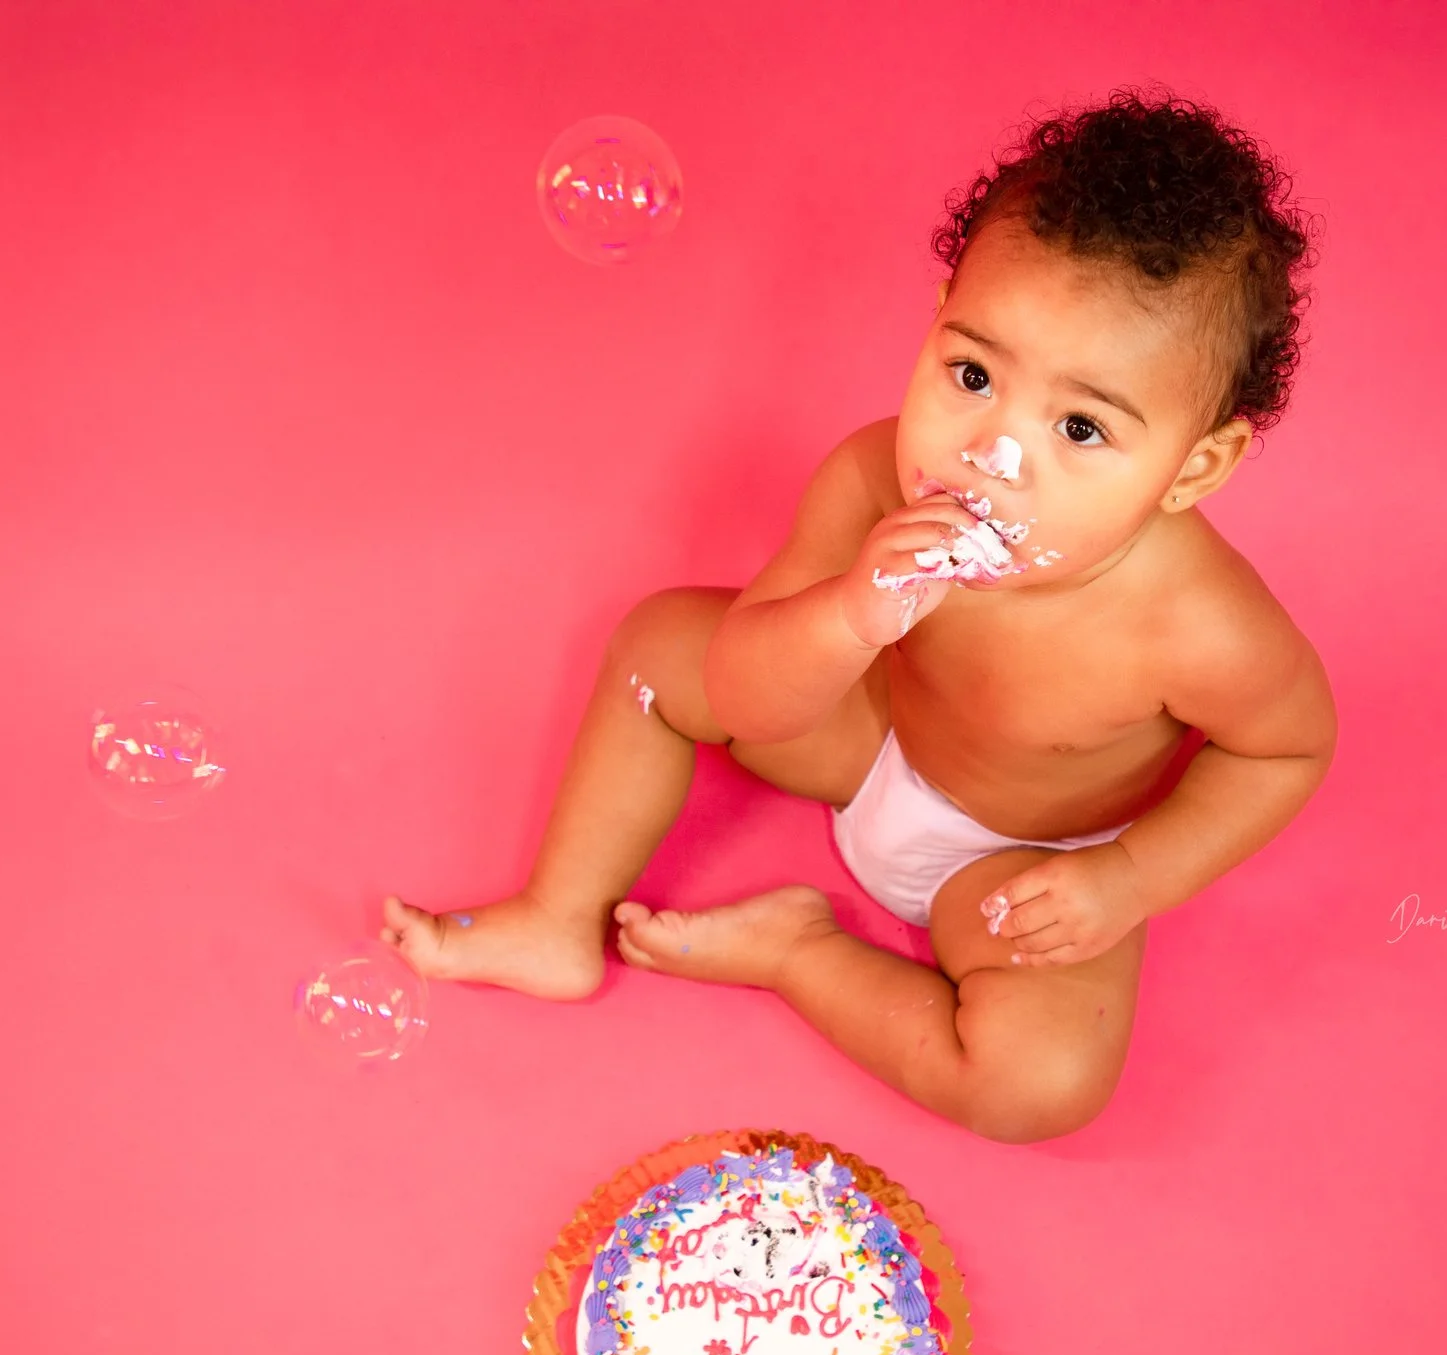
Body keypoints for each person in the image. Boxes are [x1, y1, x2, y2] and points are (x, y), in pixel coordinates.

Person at [383, 88, 1337, 1143]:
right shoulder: (870, 481)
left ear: (1194, 466)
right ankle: (556, 919)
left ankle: (798, 952)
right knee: (658, 645)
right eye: (971, 373)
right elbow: (748, 688)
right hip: (870, 739)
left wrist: (1124, 877)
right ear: (933, 323)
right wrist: (847, 615)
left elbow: (1283, 752)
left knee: (1040, 1083)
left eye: (1078, 426)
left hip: (1023, 864)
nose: (989, 452)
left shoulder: (1198, 621)